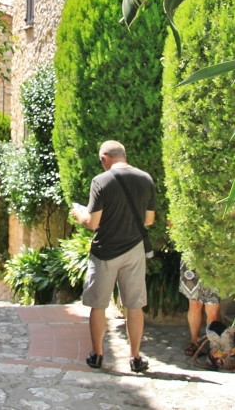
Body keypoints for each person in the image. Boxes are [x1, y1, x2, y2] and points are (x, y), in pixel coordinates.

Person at [71, 140, 156, 374]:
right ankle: (136, 357)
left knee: (98, 305)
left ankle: (97, 355)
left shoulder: (101, 181)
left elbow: (92, 222)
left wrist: (79, 213)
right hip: (134, 249)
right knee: (135, 305)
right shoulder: (145, 179)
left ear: (105, 158)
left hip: (105, 251)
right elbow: (149, 220)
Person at [179, 260, 222, 356]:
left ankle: (213, 346)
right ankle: (194, 341)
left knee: (213, 309)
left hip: (215, 259)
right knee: (194, 304)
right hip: (191, 258)